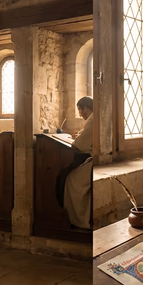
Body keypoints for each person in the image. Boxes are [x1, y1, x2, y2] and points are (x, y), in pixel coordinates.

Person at [64, 97, 92, 229]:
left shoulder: (92, 120)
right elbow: (85, 136)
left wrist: (76, 140)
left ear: (85, 109)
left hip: (94, 162)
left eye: (80, 110)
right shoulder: (93, 119)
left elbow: (80, 144)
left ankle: (79, 220)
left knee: (72, 180)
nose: (80, 114)